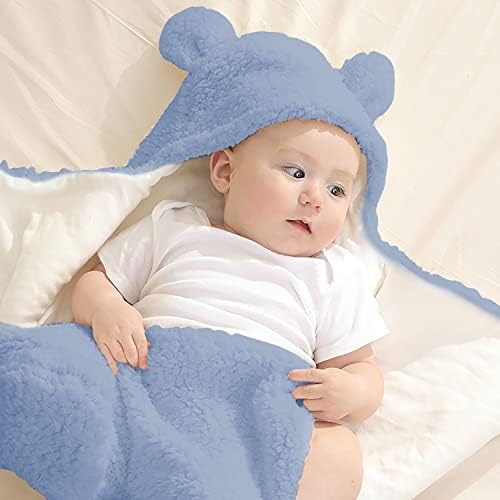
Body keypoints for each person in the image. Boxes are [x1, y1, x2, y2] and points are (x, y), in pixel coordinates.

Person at [72, 117, 389, 500]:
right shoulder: (176, 228)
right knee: (71, 374)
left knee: (338, 451)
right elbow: (96, 279)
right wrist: (106, 307)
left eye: (336, 189)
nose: (315, 198)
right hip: (150, 390)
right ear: (225, 171)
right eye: (296, 172)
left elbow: (361, 365)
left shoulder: (333, 274)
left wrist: (354, 392)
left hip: (257, 419)